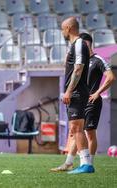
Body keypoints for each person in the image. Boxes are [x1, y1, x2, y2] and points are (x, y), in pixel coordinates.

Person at [51, 33, 116, 172]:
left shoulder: (98, 60)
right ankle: (69, 162)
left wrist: (98, 93)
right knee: (74, 131)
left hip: (92, 100)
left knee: (89, 132)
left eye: (82, 43)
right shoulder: (78, 60)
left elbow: (111, 77)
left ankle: (89, 163)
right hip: (80, 99)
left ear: (87, 44)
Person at [56, 17, 94, 174]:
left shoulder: (79, 44)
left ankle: (86, 164)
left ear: (69, 28)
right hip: (76, 92)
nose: (62, 32)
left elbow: (78, 69)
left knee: (77, 127)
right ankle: (77, 163)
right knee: (75, 128)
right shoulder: (74, 45)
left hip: (77, 92)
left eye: (63, 29)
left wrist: (70, 91)